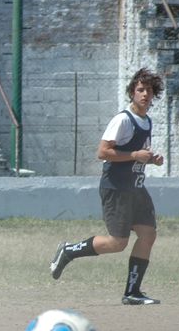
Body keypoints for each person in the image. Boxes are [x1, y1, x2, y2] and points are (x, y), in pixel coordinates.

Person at [49, 68, 166, 305]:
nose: (145, 94)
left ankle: (132, 293)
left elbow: (136, 155)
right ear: (132, 92)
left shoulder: (146, 121)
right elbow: (102, 152)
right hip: (117, 188)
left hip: (136, 189)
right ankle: (69, 251)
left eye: (149, 90)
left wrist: (151, 159)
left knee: (148, 234)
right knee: (117, 243)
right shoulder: (123, 119)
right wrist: (134, 154)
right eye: (140, 89)